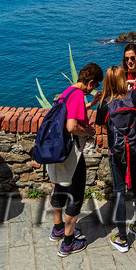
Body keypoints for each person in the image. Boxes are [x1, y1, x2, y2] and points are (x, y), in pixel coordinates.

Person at [97, 65, 136, 252]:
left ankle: (121, 237)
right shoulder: (134, 97)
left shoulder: (105, 104)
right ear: (122, 80)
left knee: (119, 192)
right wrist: (134, 83)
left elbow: (100, 123)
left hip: (118, 152)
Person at [49, 63, 102, 256]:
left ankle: (58, 229)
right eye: (94, 85)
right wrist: (87, 131)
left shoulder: (68, 92)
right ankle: (68, 242)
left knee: (59, 187)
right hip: (71, 152)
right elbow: (71, 126)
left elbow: (68, 114)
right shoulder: (79, 94)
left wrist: (91, 104)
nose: (92, 89)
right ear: (90, 82)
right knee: (76, 194)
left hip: (57, 149)